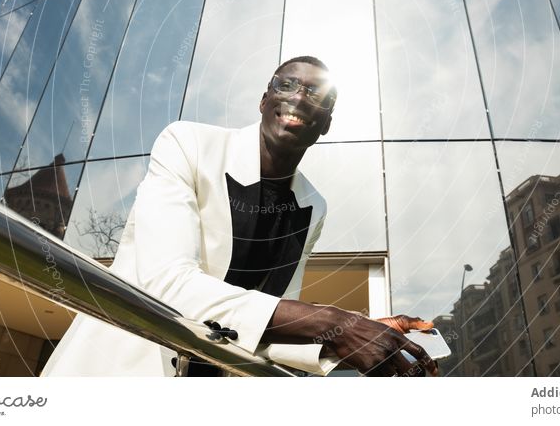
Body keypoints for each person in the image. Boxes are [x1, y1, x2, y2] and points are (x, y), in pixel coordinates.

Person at [41, 56, 437, 377]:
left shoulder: (313, 205)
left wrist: (358, 331)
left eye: (317, 94)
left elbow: (271, 322)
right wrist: (334, 323)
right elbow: (166, 284)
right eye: (287, 84)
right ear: (264, 100)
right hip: (118, 378)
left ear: (327, 123)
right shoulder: (188, 143)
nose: (299, 97)